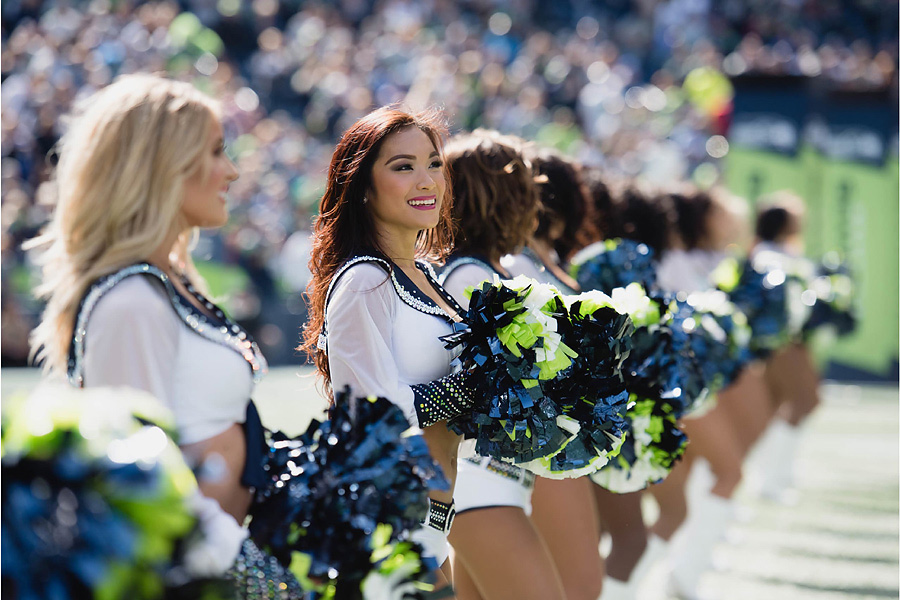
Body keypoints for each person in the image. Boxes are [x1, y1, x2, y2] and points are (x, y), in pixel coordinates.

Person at [27, 73, 303, 595]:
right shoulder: (131, 303)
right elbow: (140, 482)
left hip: (212, 567)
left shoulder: (169, 283)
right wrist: (268, 584)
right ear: (163, 168)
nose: (233, 170)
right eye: (217, 151)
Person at [300, 106, 471, 586]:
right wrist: (467, 391)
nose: (427, 181)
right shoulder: (364, 281)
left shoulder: (429, 275)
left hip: (437, 515)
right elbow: (373, 412)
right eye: (403, 167)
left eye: (434, 163)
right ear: (363, 189)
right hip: (393, 516)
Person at [439, 130, 567, 600]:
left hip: (498, 480)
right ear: (502, 200)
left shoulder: (494, 271)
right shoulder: (470, 276)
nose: (534, 206)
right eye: (526, 192)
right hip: (479, 482)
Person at [502, 146, 605, 600]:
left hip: (558, 437)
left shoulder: (545, 262)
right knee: (577, 585)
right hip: (541, 442)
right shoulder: (518, 266)